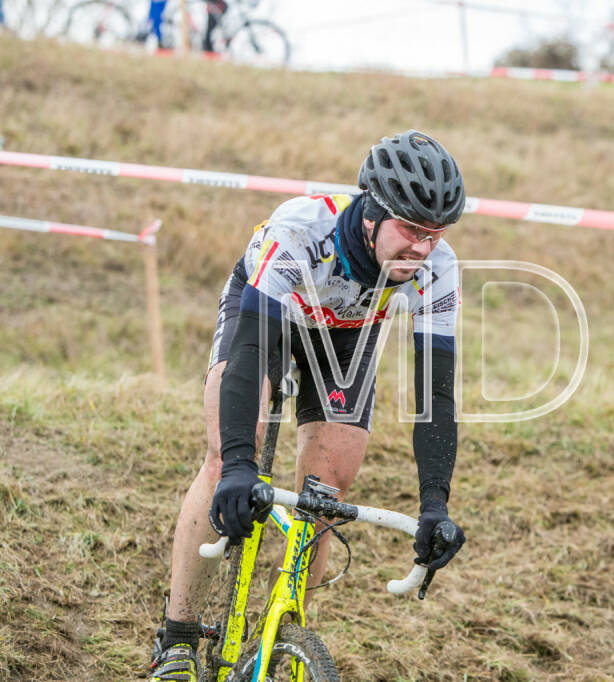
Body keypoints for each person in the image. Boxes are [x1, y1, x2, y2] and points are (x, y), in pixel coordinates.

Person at [150, 130, 468, 681]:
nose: (423, 247)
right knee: (228, 458)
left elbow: (436, 394)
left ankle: (284, 633)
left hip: (347, 335)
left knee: (328, 491)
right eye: (412, 230)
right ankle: (177, 637)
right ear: (371, 213)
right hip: (269, 317)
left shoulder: (438, 266)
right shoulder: (300, 231)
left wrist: (435, 504)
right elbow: (250, 350)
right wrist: (241, 465)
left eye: (435, 234)